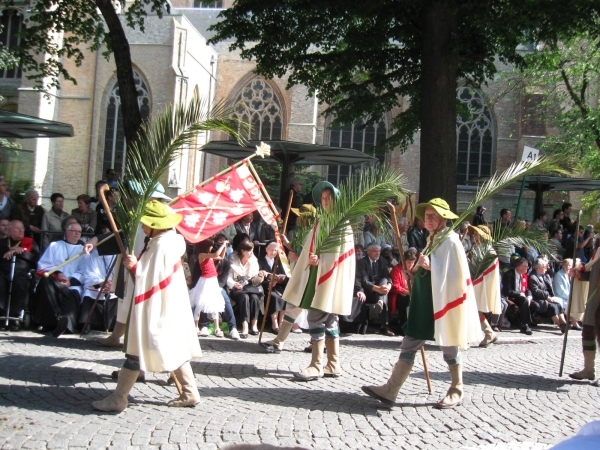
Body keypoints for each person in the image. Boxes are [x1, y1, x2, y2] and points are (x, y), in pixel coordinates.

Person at [362, 198, 481, 409]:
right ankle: (391, 389)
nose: (429, 218)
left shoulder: (451, 241)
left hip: (443, 302)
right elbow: (427, 271)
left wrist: (430, 266)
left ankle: (456, 389)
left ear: (444, 217)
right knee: (409, 342)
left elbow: (456, 275)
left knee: (449, 346)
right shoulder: (432, 239)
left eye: (434, 215)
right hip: (424, 301)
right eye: (427, 215)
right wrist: (412, 274)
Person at [92, 201, 202, 412]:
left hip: (157, 306)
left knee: (136, 349)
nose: (142, 228)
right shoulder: (172, 240)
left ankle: (119, 398)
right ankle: (190, 392)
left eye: (145, 224)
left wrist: (133, 266)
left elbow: (148, 280)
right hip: (170, 304)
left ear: (156, 224)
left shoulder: (160, 245)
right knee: (173, 347)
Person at [32, 221, 84, 337]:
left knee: (73, 293)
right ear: (66, 231)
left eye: (79, 232)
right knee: (45, 282)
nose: (77, 234)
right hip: (55, 280)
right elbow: (44, 264)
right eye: (74, 231)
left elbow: (84, 270)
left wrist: (71, 281)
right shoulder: (55, 245)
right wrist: (58, 273)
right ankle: (46, 322)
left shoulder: (84, 250)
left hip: (73, 283)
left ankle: (65, 324)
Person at [0, 220, 39, 330]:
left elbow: (36, 260)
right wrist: (8, 250)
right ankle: (1, 314)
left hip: (21, 272)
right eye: (17, 229)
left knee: (19, 283)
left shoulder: (30, 242)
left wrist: (21, 252)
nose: (21, 231)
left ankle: (15, 316)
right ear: (9, 230)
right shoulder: (2, 242)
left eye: (22, 228)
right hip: (3, 272)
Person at [469, 225, 502, 348]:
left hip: (481, 283)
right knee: (474, 310)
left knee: (474, 309)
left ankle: (488, 333)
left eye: (476, 234)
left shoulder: (487, 250)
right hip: (477, 282)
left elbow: (482, 270)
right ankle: (489, 333)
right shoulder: (479, 248)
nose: (474, 236)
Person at [189, 238, 227, 337]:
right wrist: (223, 245)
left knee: (214, 303)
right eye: (211, 246)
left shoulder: (209, 256)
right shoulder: (202, 255)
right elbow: (215, 255)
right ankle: (196, 326)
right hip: (205, 281)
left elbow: (221, 257)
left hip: (212, 281)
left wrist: (225, 247)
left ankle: (217, 327)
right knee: (200, 303)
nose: (212, 247)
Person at [355, 243, 394, 336]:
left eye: (379, 251)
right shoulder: (362, 262)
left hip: (381, 289)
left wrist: (388, 286)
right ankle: (384, 326)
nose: (377, 253)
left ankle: (380, 303)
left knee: (384, 281)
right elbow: (364, 281)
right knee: (383, 294)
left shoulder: (382, 261)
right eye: (375, 251)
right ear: (368, 252)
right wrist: (378, 289)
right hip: (368, 291)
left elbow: (387, 276)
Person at [75, 247, 118, 333]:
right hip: (98, 285)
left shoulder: (119, 255)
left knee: (118, 296)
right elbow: (89, 273)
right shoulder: (95, 254)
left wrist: (113, 285)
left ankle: (113, 325)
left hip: (114, 287)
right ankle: (87, 324)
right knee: (89, 293)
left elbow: (123, 274)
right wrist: (101, 283)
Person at [227, 239, 264, 338]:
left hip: (250, 287)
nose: (252, 253)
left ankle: (254, 325)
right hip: (237, 288)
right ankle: (245, 326)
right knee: (244, 297)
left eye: (252, 250)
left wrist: (260, 275)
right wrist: (234, 284)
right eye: (249, 251)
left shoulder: (253, 260)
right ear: (243, 250)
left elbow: (254, 276)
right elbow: (228, 276)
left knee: (255, 298)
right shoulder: (233, 258)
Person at [528, 258, 568, 333]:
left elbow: (550, 285)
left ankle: (563, 322)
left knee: (558, 304)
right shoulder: (533, 277)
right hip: (538, 298)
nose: (546, 269)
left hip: (548, 297)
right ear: (538, 268)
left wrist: (551, 297)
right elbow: (535, 291)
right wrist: (547, 297)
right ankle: (560, 325)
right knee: (552, 307)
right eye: (544, 267)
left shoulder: (546, 275)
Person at [501, 257, 538, 335]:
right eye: (526, 266)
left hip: (522, 297)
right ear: (520, 266)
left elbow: (528, 289)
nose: (528, 268)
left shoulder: (524, 275)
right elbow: (507, 291)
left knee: (535, 305)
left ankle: (519, 322)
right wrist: (518, 294)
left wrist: (529, 296)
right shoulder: (509, 274)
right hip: (511, 297)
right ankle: (525, 324)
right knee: (523, 301)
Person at [258, 240, 289, 333]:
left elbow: (285, 275)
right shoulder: (260, 260)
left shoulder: (280, 261)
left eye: (275, 250)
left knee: (284, 296)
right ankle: (274, 324)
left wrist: (281, 278)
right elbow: (257, 276)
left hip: (278, 286)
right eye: (271, 250)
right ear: (266, 249)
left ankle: (281, 323)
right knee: (274, 297)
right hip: (266, 287)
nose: (273, 252)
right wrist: (268, 281)